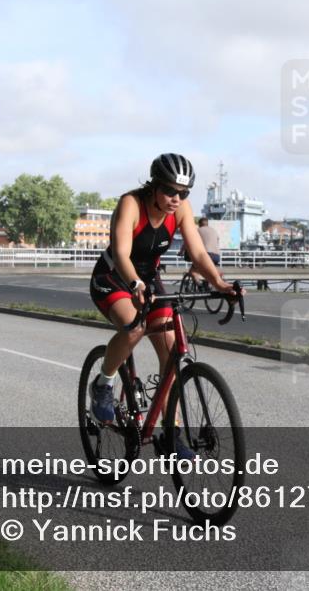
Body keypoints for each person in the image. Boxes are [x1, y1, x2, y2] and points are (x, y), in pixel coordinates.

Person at [88, 154, 240, 458]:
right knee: (135, 328)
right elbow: (120, 253)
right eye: (170, 191)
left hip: (149, 278)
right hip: (115, 277)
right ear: (154, 186)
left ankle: (171, 436)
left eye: (183, 193)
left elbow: (198, 253)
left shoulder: (181, 208)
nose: (176, 199)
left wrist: (220, 284)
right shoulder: (131, 203)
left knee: (171, 356)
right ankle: (103, 385)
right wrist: (135, 285)